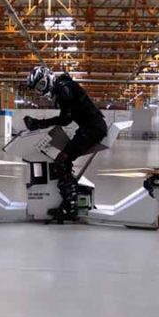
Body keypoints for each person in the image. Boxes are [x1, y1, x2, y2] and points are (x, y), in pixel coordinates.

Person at [24, 66, 107, 221]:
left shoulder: (63, 88)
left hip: (92, 129)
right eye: (38, 88)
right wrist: (41, 123)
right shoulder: (64, 87)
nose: (41, 90)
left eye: (42, 84)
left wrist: (40, 123)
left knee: (62, 161)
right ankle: (71, 196)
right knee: (64, 159)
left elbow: (65, 119)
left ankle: (70, 206)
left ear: (48, 77)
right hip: (90, 128)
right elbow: (67, 117)